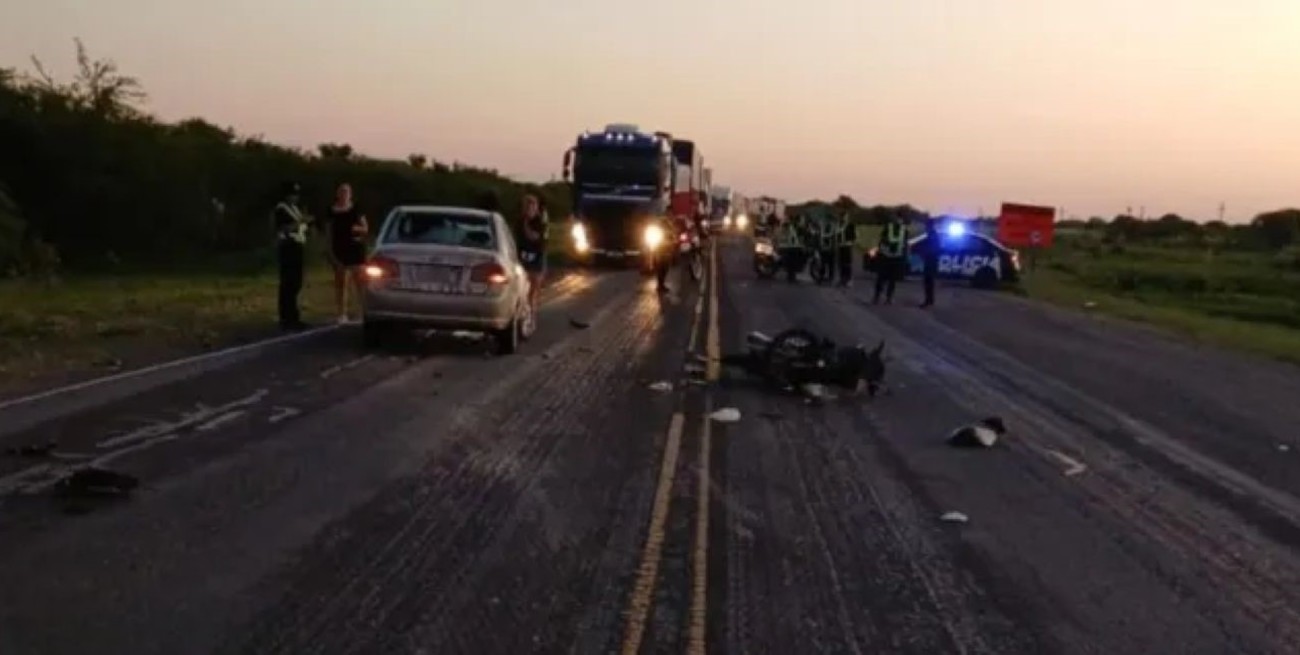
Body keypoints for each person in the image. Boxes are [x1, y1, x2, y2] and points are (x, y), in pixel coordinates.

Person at [325, 183, 369, 324]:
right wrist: (329, 250)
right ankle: (341, 313)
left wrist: (356, 229)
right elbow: (328, 231)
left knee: (359, 282)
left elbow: (365, 228)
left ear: (350, 194)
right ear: (337, 194)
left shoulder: (356, 209)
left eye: (346, 192)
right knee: (341, 282)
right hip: (339, 248)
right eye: (341, 192)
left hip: (355, 248)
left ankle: (363, 312)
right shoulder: (331, 211)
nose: (344, 195)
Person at [273, 181, 311, 330]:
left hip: (298, 246)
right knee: (288, 283)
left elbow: (302, 227)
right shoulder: (281, 209)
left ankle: (293, 316)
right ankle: (286, 318)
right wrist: (301, 222)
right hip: (287, 247)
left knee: (296, 282)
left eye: (296, 194)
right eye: (292, 194)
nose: (295, 197)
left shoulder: (295, 209)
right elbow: (284, 228)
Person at [517, 192, 549, 313]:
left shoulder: (540, 222)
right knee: (521, 291)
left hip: (537, 259)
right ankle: (523, 314)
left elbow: (533, 237)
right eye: (526, 207)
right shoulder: (519, 221)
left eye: (532, 207)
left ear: (536, 208)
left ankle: (531, 315)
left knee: (532, 292)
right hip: (523, 258)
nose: (529, 210)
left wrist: (525, 224)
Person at [872, 214, 909, 305]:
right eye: (898, 219)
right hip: (886, 257)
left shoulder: (905, 230)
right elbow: (881, 242)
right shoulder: (888, 228)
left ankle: (889, 298)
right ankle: (877, 297)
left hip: (897, 258)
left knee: (893, 280)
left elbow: (905, 245)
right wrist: (881, 253)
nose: (899, 221)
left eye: (901, 219)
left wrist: (904, 257)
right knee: (881, 278)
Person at [918, 217, 940, 307]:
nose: (925, 228)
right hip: (932, 260)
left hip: (930, 260)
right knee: (929, 282)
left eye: (926, 226)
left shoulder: (932, 235)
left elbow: (931, 248)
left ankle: (928, 300)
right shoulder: (933, 234)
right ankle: (930, 300)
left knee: (928, 281)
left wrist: (924, 254)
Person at [836, 210, 858, 287]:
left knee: (847, 264)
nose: (843, 218)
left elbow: (854, 237)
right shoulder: (838, 225)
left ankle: (848, 279)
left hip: (847, 246)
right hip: (840, 246)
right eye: (842, 216)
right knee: (841, 264)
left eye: (845, 216)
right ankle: (842, 279)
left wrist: (851, 243)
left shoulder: (850, 225)